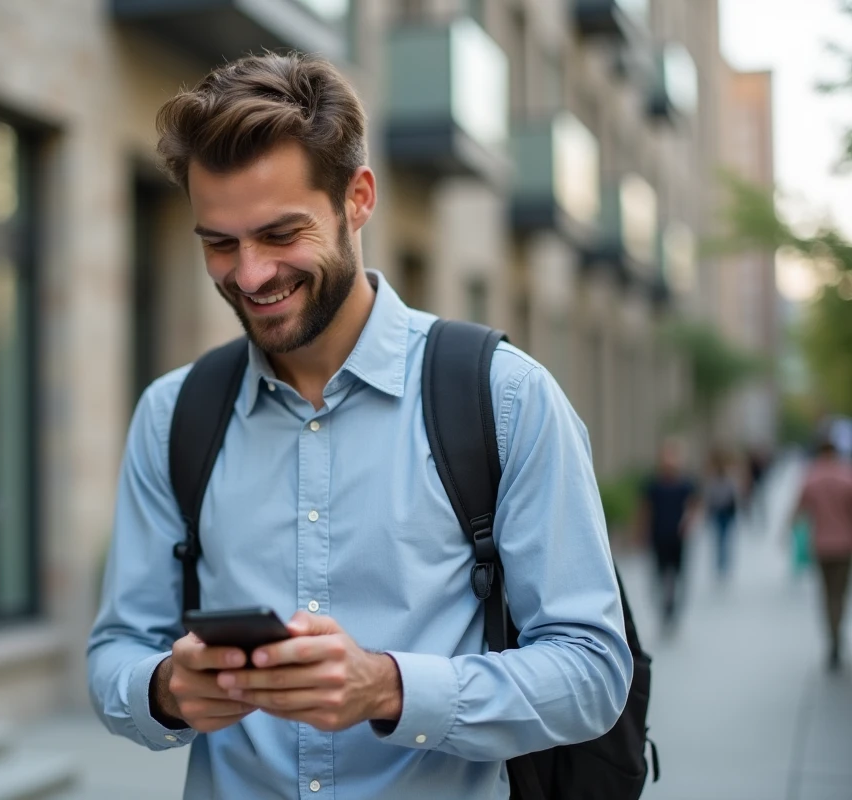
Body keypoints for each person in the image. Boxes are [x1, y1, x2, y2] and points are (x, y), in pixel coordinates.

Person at [87, 53, 632, 798]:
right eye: (220, 243)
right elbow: (117, 649)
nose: (249, 276)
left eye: (281, 234)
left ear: (359, 198)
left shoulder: (507, 399)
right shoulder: (171, 415)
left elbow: (594, 672)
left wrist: (389, 689)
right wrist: (164, 690)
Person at [793, 438, 852, 671]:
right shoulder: (847, 477)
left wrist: (787, 531)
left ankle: (832, 638)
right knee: (839, 594)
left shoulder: (811, 477)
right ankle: (837, 635)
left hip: (820, 545)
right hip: (845, 545)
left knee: (826, 595)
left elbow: (800, 509)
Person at [637, 439, 698, 628]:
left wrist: (689, 522)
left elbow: (694, 505)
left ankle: (673, 606)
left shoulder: (685, 484)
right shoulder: (653, 485)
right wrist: (640, 532)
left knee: (678, 575)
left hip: (678, 538)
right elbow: (645, 510)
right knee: (659, 574)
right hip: (658, 536)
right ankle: (663, 605)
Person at [703, 449, 740, 581]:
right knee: (720, 539)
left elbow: (733, 496)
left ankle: (723, 563)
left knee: (724, 539)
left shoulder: (728, 479)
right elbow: (709, 498)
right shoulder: (712, 480)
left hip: (725, 513)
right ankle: (720, 563)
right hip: (718, 512)